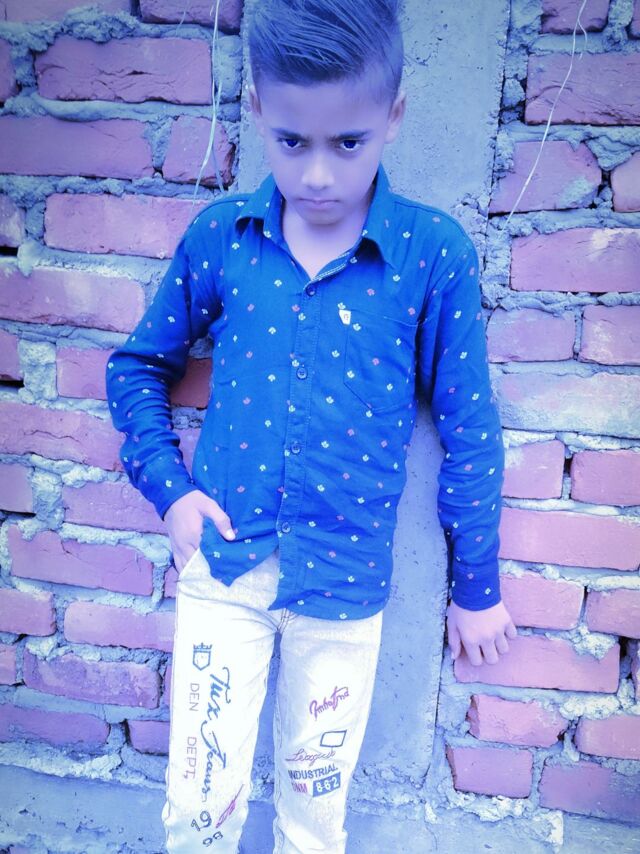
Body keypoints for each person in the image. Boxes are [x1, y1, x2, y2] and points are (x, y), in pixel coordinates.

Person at [105, 0, 516, 850]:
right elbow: (137, 367)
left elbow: (471, 429)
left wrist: (477, 586)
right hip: (225, 571)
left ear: (394, 116)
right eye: (292, 142)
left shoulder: (432, 256)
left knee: (314, 818)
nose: (319, 175)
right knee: (198, 809)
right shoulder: (223, 239)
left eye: (348, 143)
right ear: (257, 109)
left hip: (345, 589)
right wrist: (171, 493)